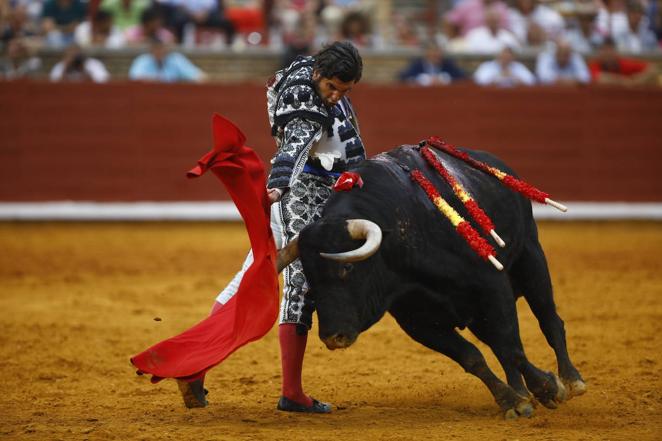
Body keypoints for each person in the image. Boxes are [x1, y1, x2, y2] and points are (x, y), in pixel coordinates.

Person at [177, 41, 366, 414]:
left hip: (321, 197)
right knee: (299, 286)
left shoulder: (314, 72)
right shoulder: (303, 100)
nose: (335, 96)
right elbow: (293, 148)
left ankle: (195, 364)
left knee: (249, 278)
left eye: (344, 91)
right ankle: (291, 393)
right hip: (298, 198)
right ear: (317, 75)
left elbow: (348, 142)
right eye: (331, 88)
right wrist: (279, 185)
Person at [128, 38, 207, 82]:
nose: (159, 52)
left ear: (166, 49)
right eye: (156, 49)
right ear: (151, 50)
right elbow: (134, 79)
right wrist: (156, 80)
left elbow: (200, 76)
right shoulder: (142, 60)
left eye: (161, 48)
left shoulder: (176, 60)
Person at [588, 37, 658, 86]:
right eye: (605, 50)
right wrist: (626, 82)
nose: (608, 54)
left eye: (610, 50)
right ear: (600, 54)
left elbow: (653, 69)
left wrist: (636, 81)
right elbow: (599, 78)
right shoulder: (594, 65)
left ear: (616, 52)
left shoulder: (623, 63)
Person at [398, 42, 465, 86]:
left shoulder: (448, 64)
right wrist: (424, 79)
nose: (435, 55)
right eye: (432, 52)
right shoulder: (417, 64)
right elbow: (402, 77)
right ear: (427, 54)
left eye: (437, 52)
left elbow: (462, 76)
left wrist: (444, 78)